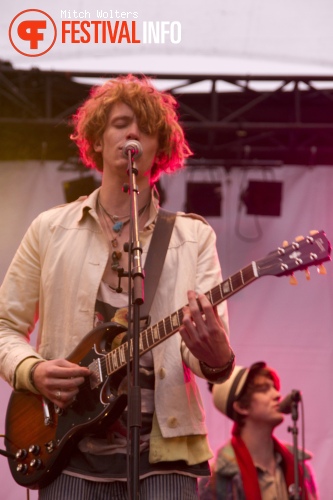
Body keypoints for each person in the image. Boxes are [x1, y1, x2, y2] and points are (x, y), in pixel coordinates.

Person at [0, 74, 235, 499]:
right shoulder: (50, 229)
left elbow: (204, 357)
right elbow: (4, 326)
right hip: (69, 453)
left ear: (159, 148)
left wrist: (217, 358)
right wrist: (32, 371)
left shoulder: (193, 237)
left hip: (165, 456)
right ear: (96, 137)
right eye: (120, 122)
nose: (132, 133)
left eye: (145, 128)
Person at [199, 362, 318, 500]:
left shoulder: (298, 464)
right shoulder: (219, 477)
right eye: (264, 389)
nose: (277, 395)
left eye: (274, 388)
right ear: (241, 407)